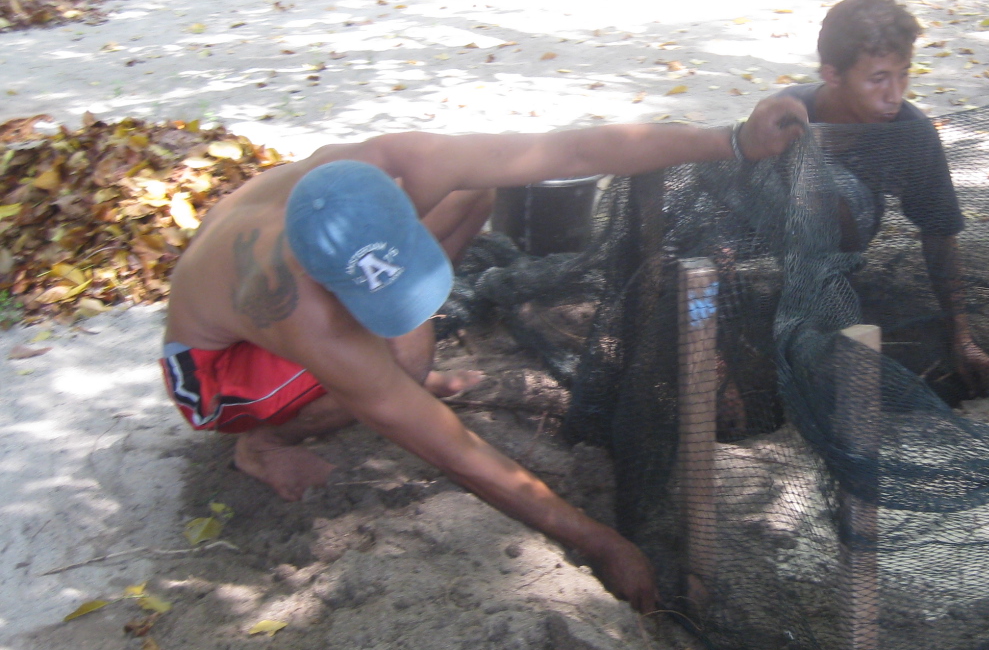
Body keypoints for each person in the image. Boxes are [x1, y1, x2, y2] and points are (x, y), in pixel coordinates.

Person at [160, 98, 808, 615]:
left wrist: (732, 139)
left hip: (277, 285)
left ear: (396, 196)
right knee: (405, 365)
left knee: (475, 194)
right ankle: (260, 442)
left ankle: (379, 360)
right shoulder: (292, 310)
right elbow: (449, 449)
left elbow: (570, 148)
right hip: (212, 368)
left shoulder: (399, 160)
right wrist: (596, 538)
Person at [774, 0, 989, 395]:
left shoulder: (912, 135)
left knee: (842, 194)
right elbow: (724, 217)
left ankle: (826, 306)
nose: (895, 95)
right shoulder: (784, 114)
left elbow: (940, 233)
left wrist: (961, 336)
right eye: (878, 79)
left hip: (843, 247)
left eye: (904, 74)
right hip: (771, 240)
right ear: (832, 75)